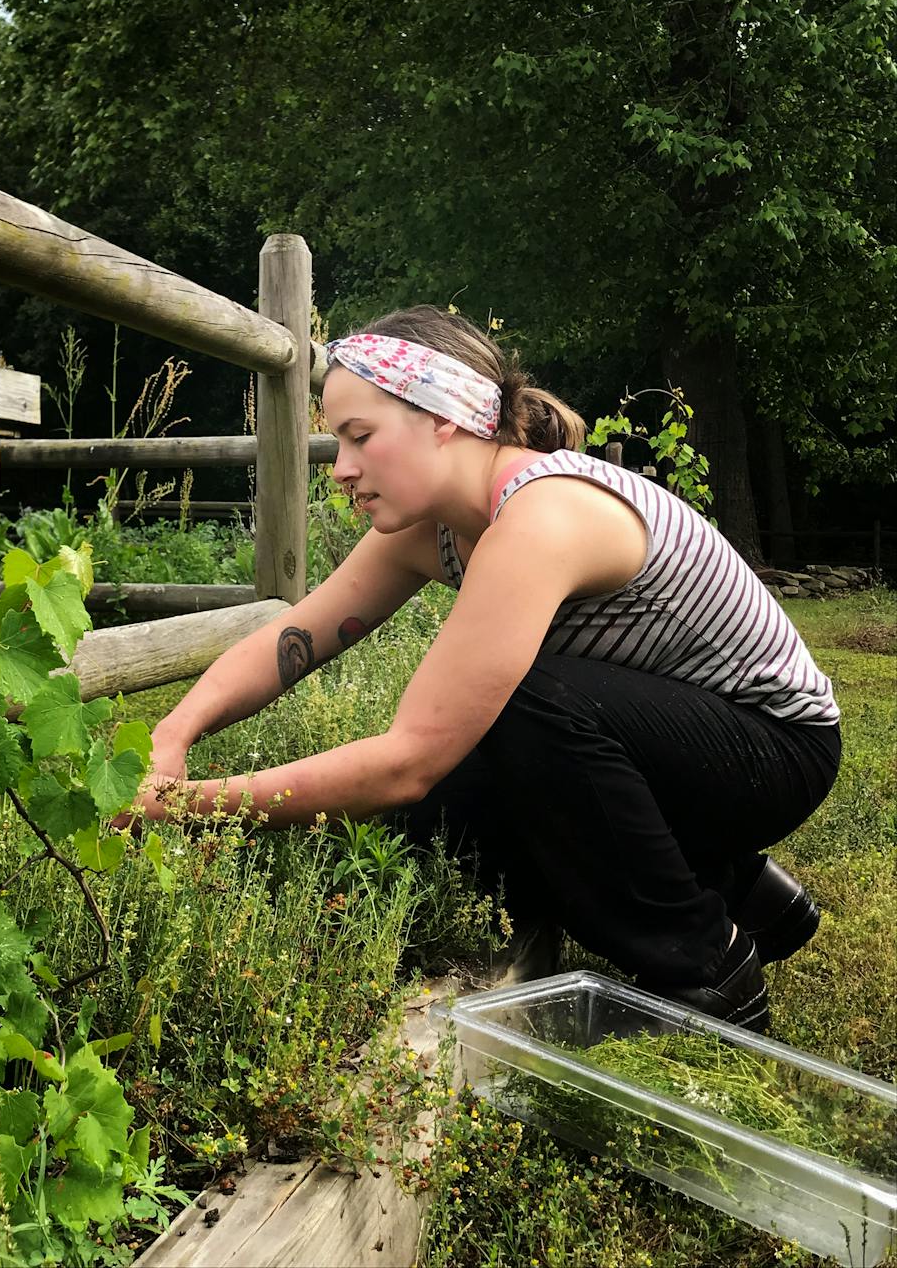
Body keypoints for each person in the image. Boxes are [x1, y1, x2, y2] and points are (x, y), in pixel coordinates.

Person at [138, 306, 841, 1031]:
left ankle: (708, 966)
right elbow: (298, 633)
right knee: (439, 816)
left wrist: (191, 808)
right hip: (671, 747)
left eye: (360, 436)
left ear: (443, 418)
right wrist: (174, 731)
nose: (342, 467)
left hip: (777, 747)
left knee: (513, 712)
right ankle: (742, 892)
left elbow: (407, 757)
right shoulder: (432, 528)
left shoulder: (543, 516)